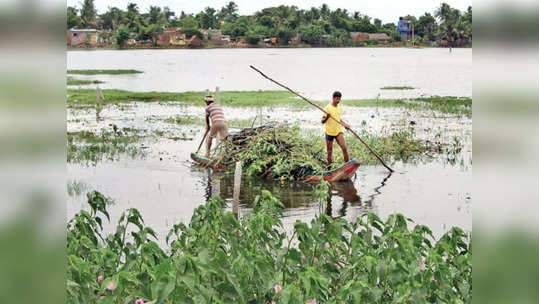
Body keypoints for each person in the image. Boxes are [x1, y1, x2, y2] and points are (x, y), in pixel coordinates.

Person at [321, 91, 350, 165]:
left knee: (344, 147)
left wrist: (345, 125)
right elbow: (322, 121)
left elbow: (339, 119)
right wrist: (327, 117)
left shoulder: (339, 108)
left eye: (339, 99)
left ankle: (347, 165)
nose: (338, 101)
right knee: (329, 151)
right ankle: (329, 167)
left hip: (338, 131)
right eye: (337, 99)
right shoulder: (327, 108)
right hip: (329, 132)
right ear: (333, 98)